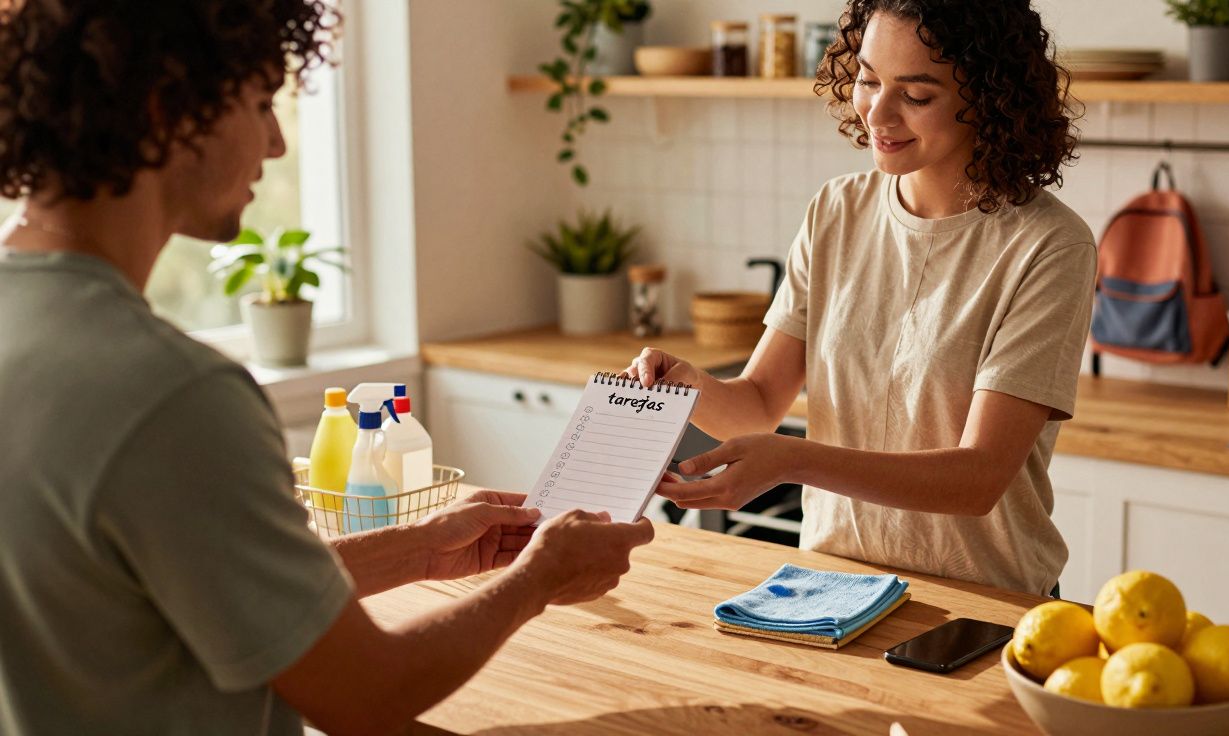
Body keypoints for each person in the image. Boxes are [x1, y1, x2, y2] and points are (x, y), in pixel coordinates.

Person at [0, 2, 653, 734]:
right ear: (168, 109)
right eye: (260, 103)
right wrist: (538, 579)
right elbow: (365, 695)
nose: (277, 144)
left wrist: (419, 551)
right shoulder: (173, 396)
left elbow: (186, 591)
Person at [625, 0, 1095, 597]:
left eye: (916, 95)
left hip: (985, 603)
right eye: (869, 80)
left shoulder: (1048, 244)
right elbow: (759, 402)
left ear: (991, 98)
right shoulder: (836, 211)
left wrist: (794, 460)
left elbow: (978, 479)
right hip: (828, 589)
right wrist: (685, 386)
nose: (878, 111)